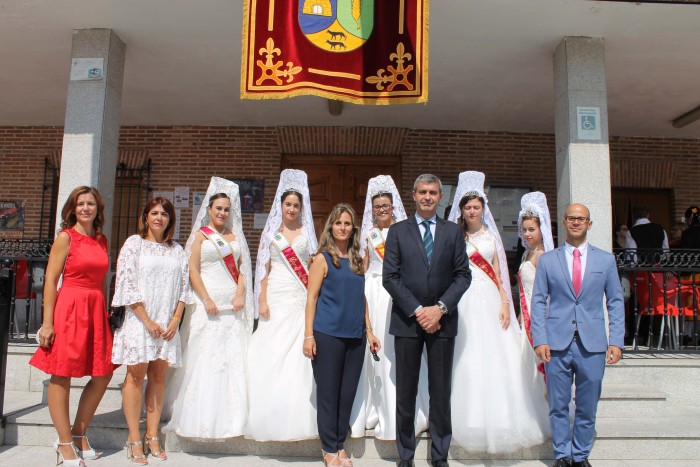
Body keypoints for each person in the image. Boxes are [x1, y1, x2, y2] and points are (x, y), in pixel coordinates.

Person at [446, 172, 550, 453]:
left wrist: (506, 303)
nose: (471, 211)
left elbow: (500, 274)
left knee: (494, 355)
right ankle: (467, 417)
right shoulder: (455, 237)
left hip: (491, 299)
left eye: (476, 207)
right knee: (466, 356)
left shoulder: (492, 236)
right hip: (464, 299)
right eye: (467, 207)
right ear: (462, 210)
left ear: (483, 209)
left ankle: (502, 416)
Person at [383, 174, 471, 467]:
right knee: (405, 391)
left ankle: (439, 456)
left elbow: (463, 275)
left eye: (433, 192)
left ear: (440, 197)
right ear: (413, 194)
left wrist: (440, 308)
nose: (428, 196)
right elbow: (390, 278)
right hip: (408, 321)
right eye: (423, 191)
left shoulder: (453, 232)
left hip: (443, 322)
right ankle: (405, 455)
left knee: (440, 391)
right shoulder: (397, 232)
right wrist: (420, 310)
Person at [531, 203, 625, 467]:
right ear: (564, 222)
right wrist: (540, 339)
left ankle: (580, 454)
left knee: (587, 404)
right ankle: (562, 454)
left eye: (581, 219)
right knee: (558, 404)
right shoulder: (548, 260)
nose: (576, 222)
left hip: (592, 343)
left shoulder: (605, 260)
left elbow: (616, 301)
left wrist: (616, 340)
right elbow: (537, 302)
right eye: (571, 218)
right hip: (557, 342)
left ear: (589, 224)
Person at [29, 186, 115, 467]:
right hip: (69, 308)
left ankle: (78, 433)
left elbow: (101, 278)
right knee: (61, 374)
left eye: (91, 204)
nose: (86, 208)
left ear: (97, 209)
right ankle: (64, 443)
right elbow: (51, 282)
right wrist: (47, 322)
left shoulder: (101, 240)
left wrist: (103, 312)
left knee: (102, 374)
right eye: (81, 204)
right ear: (73, 208)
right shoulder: (65, 238)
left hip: (94, 310)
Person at [163, 177, 254, 439]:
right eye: (218, 209)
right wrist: (206, 299)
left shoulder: (235, 237)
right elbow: (192, 269)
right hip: (208, 305)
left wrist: (239, 294)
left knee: (232, 358)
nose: (222, 213)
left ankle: (234, 417)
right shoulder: (201, 236)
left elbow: (242, 271)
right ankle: (199, 416)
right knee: (205, 357)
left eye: (227, 209)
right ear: (209, 210)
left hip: (232, 307)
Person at [111, 197, 192, 464]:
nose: (159, 217)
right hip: (139, 321)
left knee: (158, 377)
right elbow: (126, 284)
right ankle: (135, 439)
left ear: (170, 219)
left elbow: (183, 289)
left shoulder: (177, 250)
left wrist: (174, 320)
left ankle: (152, 435)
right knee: (135, 377)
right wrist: (147, 322)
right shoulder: (134, 245)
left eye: (164, 214)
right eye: (154, 213)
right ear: (146, 216)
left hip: (166, 325)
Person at [350, 176, 429, 440]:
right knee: (373, 354)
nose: (381, 209)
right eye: (377, 206)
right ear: (372, 209)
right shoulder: (370, 235)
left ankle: (399, 410)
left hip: (394, 294)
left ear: (393, 206)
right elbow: (364, 263)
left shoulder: (404, 230)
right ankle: (372, 408)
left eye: (385, 205)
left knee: (394, 352)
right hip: (372, 293)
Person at [304, 203, 381, 467]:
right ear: (331, 227)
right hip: (328, 335)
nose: (343, 227)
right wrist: (308, 336)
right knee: (329, 393)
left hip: (356, 337)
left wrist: (369, 331)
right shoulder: (321, 259)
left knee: (346, 393)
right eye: (338, 223)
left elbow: (362, 298)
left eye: (347, 223)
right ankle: (328, 448)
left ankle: (339, 444)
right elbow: (311, 299)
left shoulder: (358, 258)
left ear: (353, 228)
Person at [245, 169, 318, 441]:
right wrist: (261, 299)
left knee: (298, 356)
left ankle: (297, 414)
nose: (292, 209)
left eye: (296, 205)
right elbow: (263, 268)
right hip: (275, 296)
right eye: (288, 204)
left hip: (299, 299)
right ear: (281, 206)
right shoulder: (270, 234)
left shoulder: (308, 233)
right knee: (270, 350)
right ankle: (266, 409)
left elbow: (313, 266)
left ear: (301, 208)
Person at [517, 191, 555, 391]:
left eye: (532, 229)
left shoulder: (542, 256)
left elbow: (549, 292)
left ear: (542, 229)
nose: (527, 234)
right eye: (524, 230)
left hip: (537, 314)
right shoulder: (527, 253)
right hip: (525, 314)